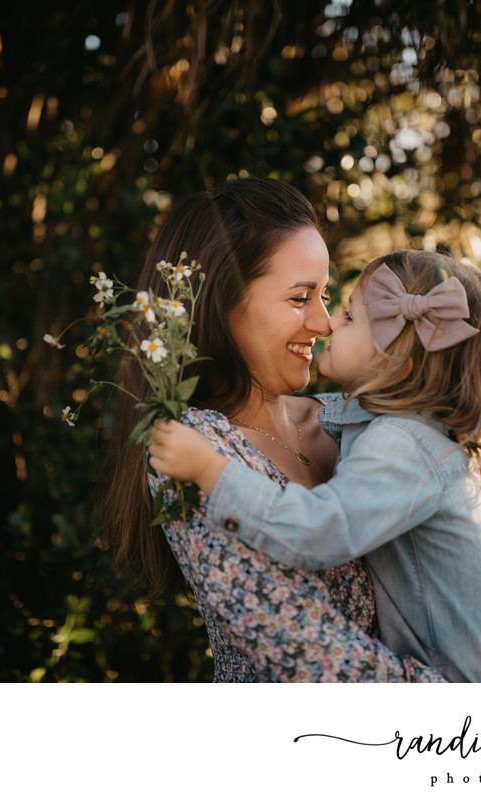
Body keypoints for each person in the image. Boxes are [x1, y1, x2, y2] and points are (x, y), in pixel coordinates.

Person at [99, 177, 443, 682]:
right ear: (223, 301)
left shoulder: (353, 417)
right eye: (301, 297)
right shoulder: (194, 455)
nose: (325, 323)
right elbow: (315, 662)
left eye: (327, 296)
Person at [149, 249, 481, 682]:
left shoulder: (400, 443)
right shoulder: (419, 434)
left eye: (347, 317)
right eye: (301, 299)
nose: (329, 324)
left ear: (396, 365)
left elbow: (317, 531)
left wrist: (211, 472)